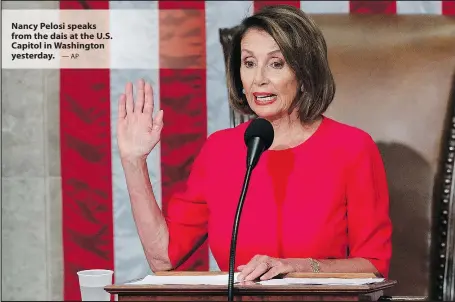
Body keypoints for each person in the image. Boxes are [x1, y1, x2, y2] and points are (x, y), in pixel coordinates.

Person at [117, 5, 392, 282]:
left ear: (305, 73)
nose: (258, 79)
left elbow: (373, 265)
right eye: (249, 63)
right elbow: (163, 258)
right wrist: (133, 162)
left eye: (276, 63)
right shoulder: (219, 150)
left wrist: (297, 267)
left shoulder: (352, 148)